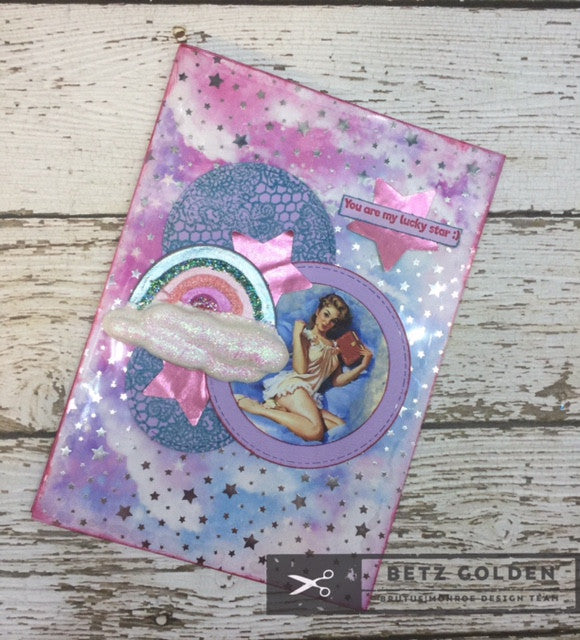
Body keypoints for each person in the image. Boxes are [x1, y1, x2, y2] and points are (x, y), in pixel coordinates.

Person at [235, 294, 373, 442]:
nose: (327, 322)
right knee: (315, 431)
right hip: (292, 387)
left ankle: (280, 409)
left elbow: (337, 381)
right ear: (318, 311)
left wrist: (363, 366)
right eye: (326, 315)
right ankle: (258, 409)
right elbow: (300, 370)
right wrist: (297, 335)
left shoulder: (334, 347)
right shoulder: (305, 336)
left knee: (340, 427)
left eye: (333, 321)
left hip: (308, 394)